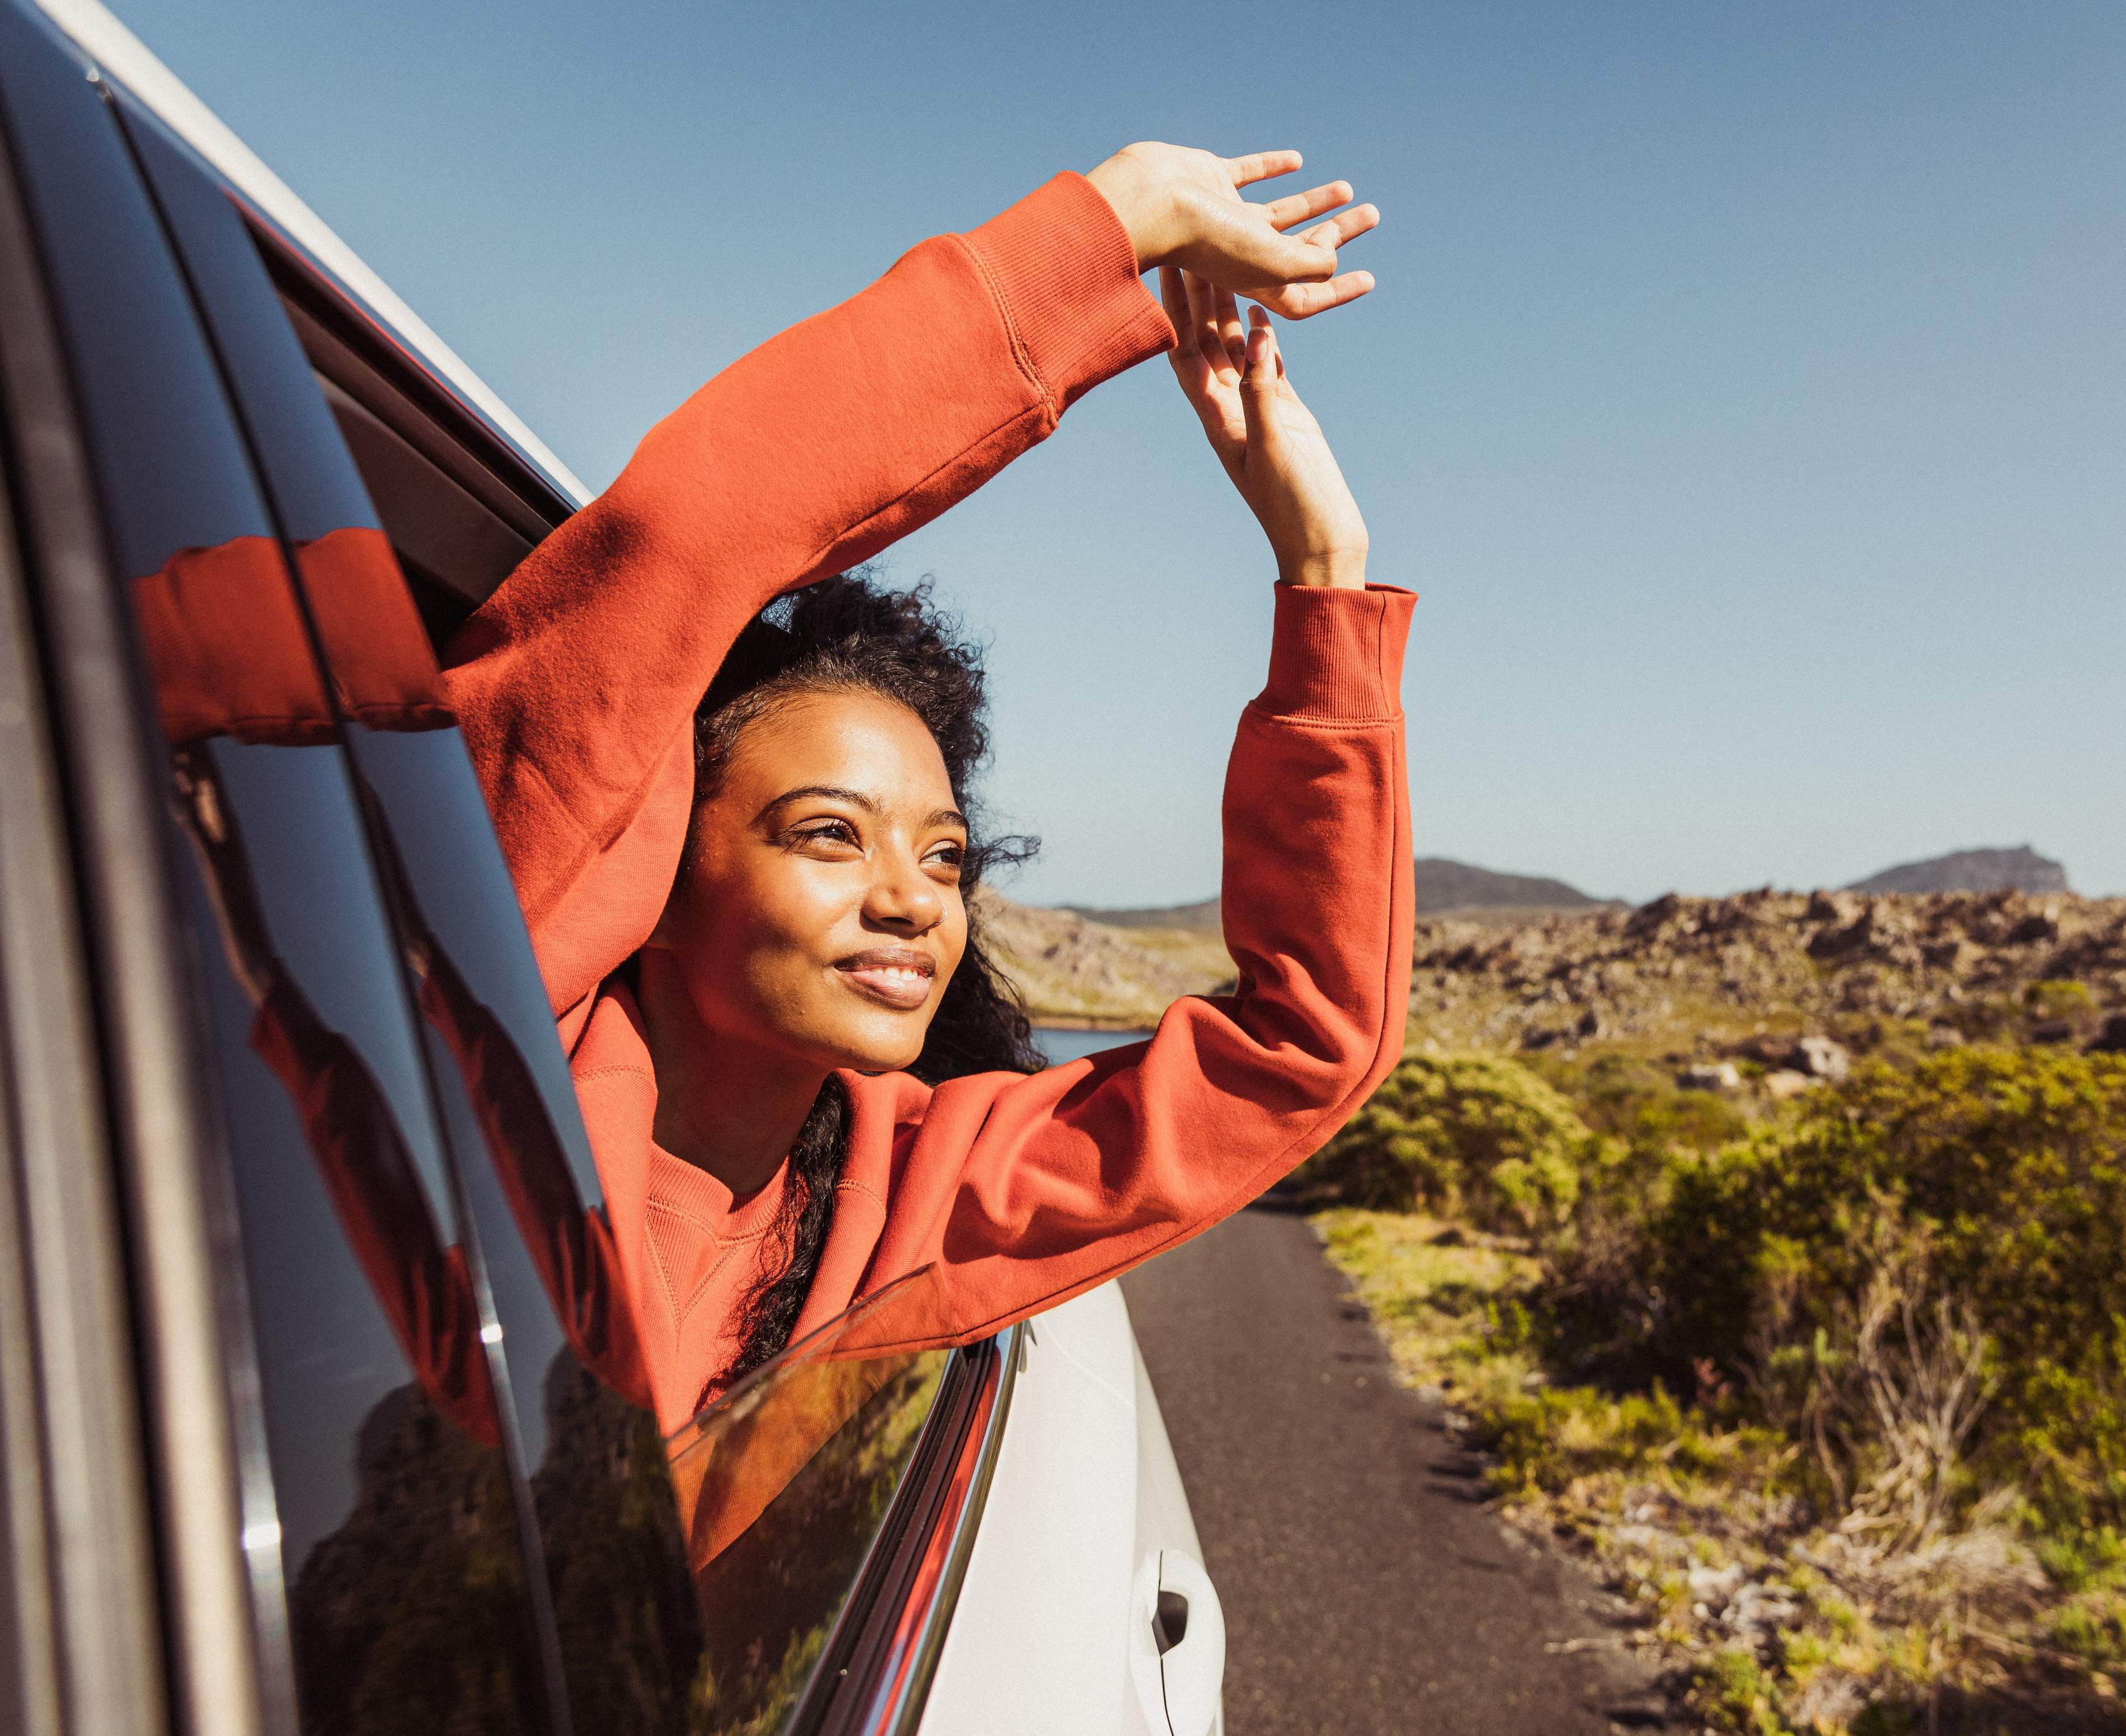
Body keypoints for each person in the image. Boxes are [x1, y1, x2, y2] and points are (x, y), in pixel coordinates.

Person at [440, 144, 1416, 1434]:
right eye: (831, 835)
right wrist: (1109, 223)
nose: (913, 900)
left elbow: (1302, 1052)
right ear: (658, 871)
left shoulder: (905, 1193)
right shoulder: (474, 1028)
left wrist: (1323, 573)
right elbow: (688, 538)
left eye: (946, 856)